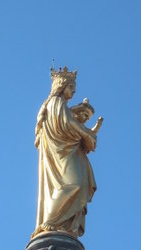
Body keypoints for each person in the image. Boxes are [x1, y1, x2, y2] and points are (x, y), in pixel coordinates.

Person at [34, 66, 103, 239]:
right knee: (73, 185)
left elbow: (72, 124)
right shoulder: (56, 103)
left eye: (74, 89)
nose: (73, 92)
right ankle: (50, 221)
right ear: (61, 85)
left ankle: (63, 224)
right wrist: (86, 133)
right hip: (61, 154)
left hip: (68, 152)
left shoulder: (60, 105)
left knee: (74, 186)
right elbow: (68, 124)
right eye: (71, 87)